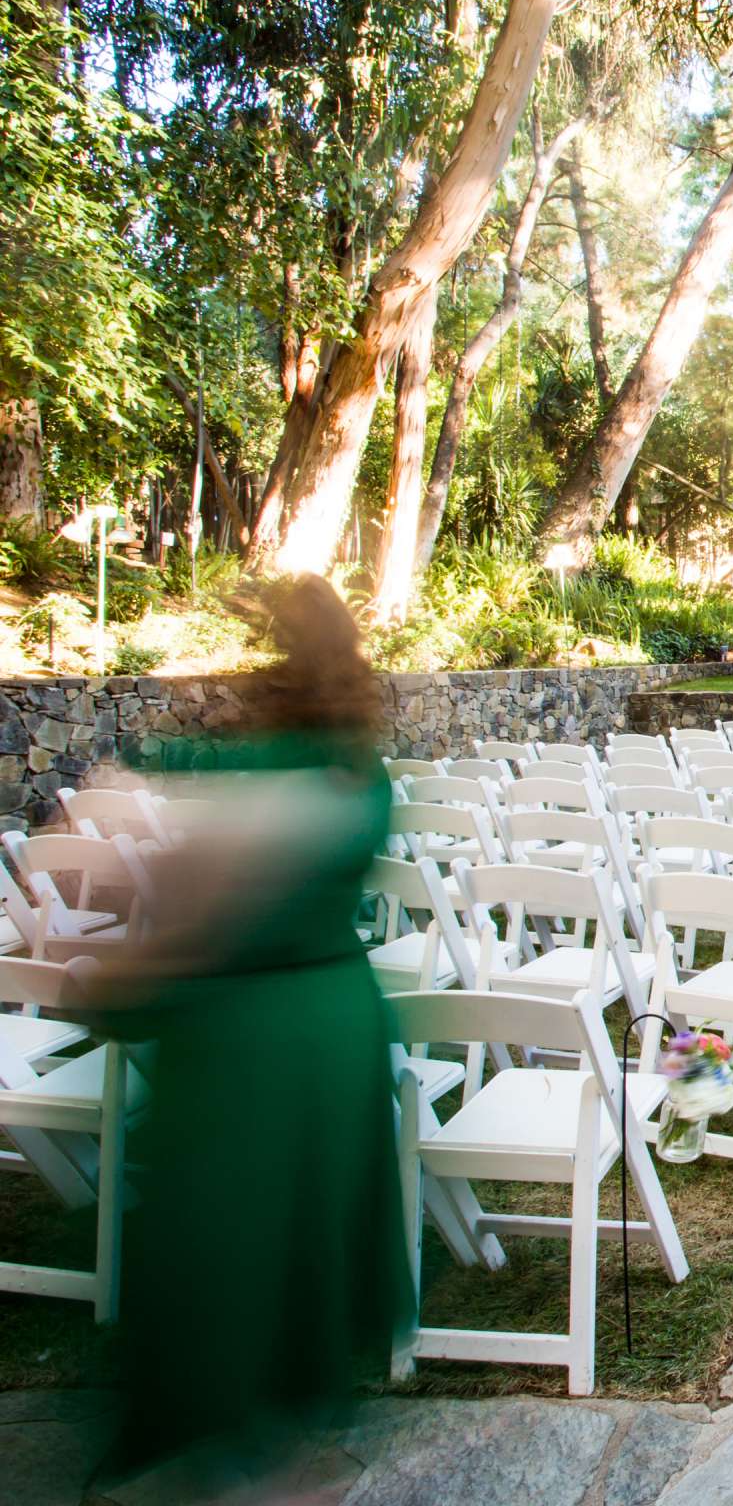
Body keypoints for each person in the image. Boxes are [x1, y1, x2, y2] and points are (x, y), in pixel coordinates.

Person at [98, 575, 412, 1485]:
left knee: (227, 1240)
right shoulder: (361, 771)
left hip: (254, 1036)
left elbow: (199, 912)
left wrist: (124, 978)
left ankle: (231, 1445)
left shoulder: (267, 774)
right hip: (335, 1016)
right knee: (302, 1236)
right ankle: (288, 1433)